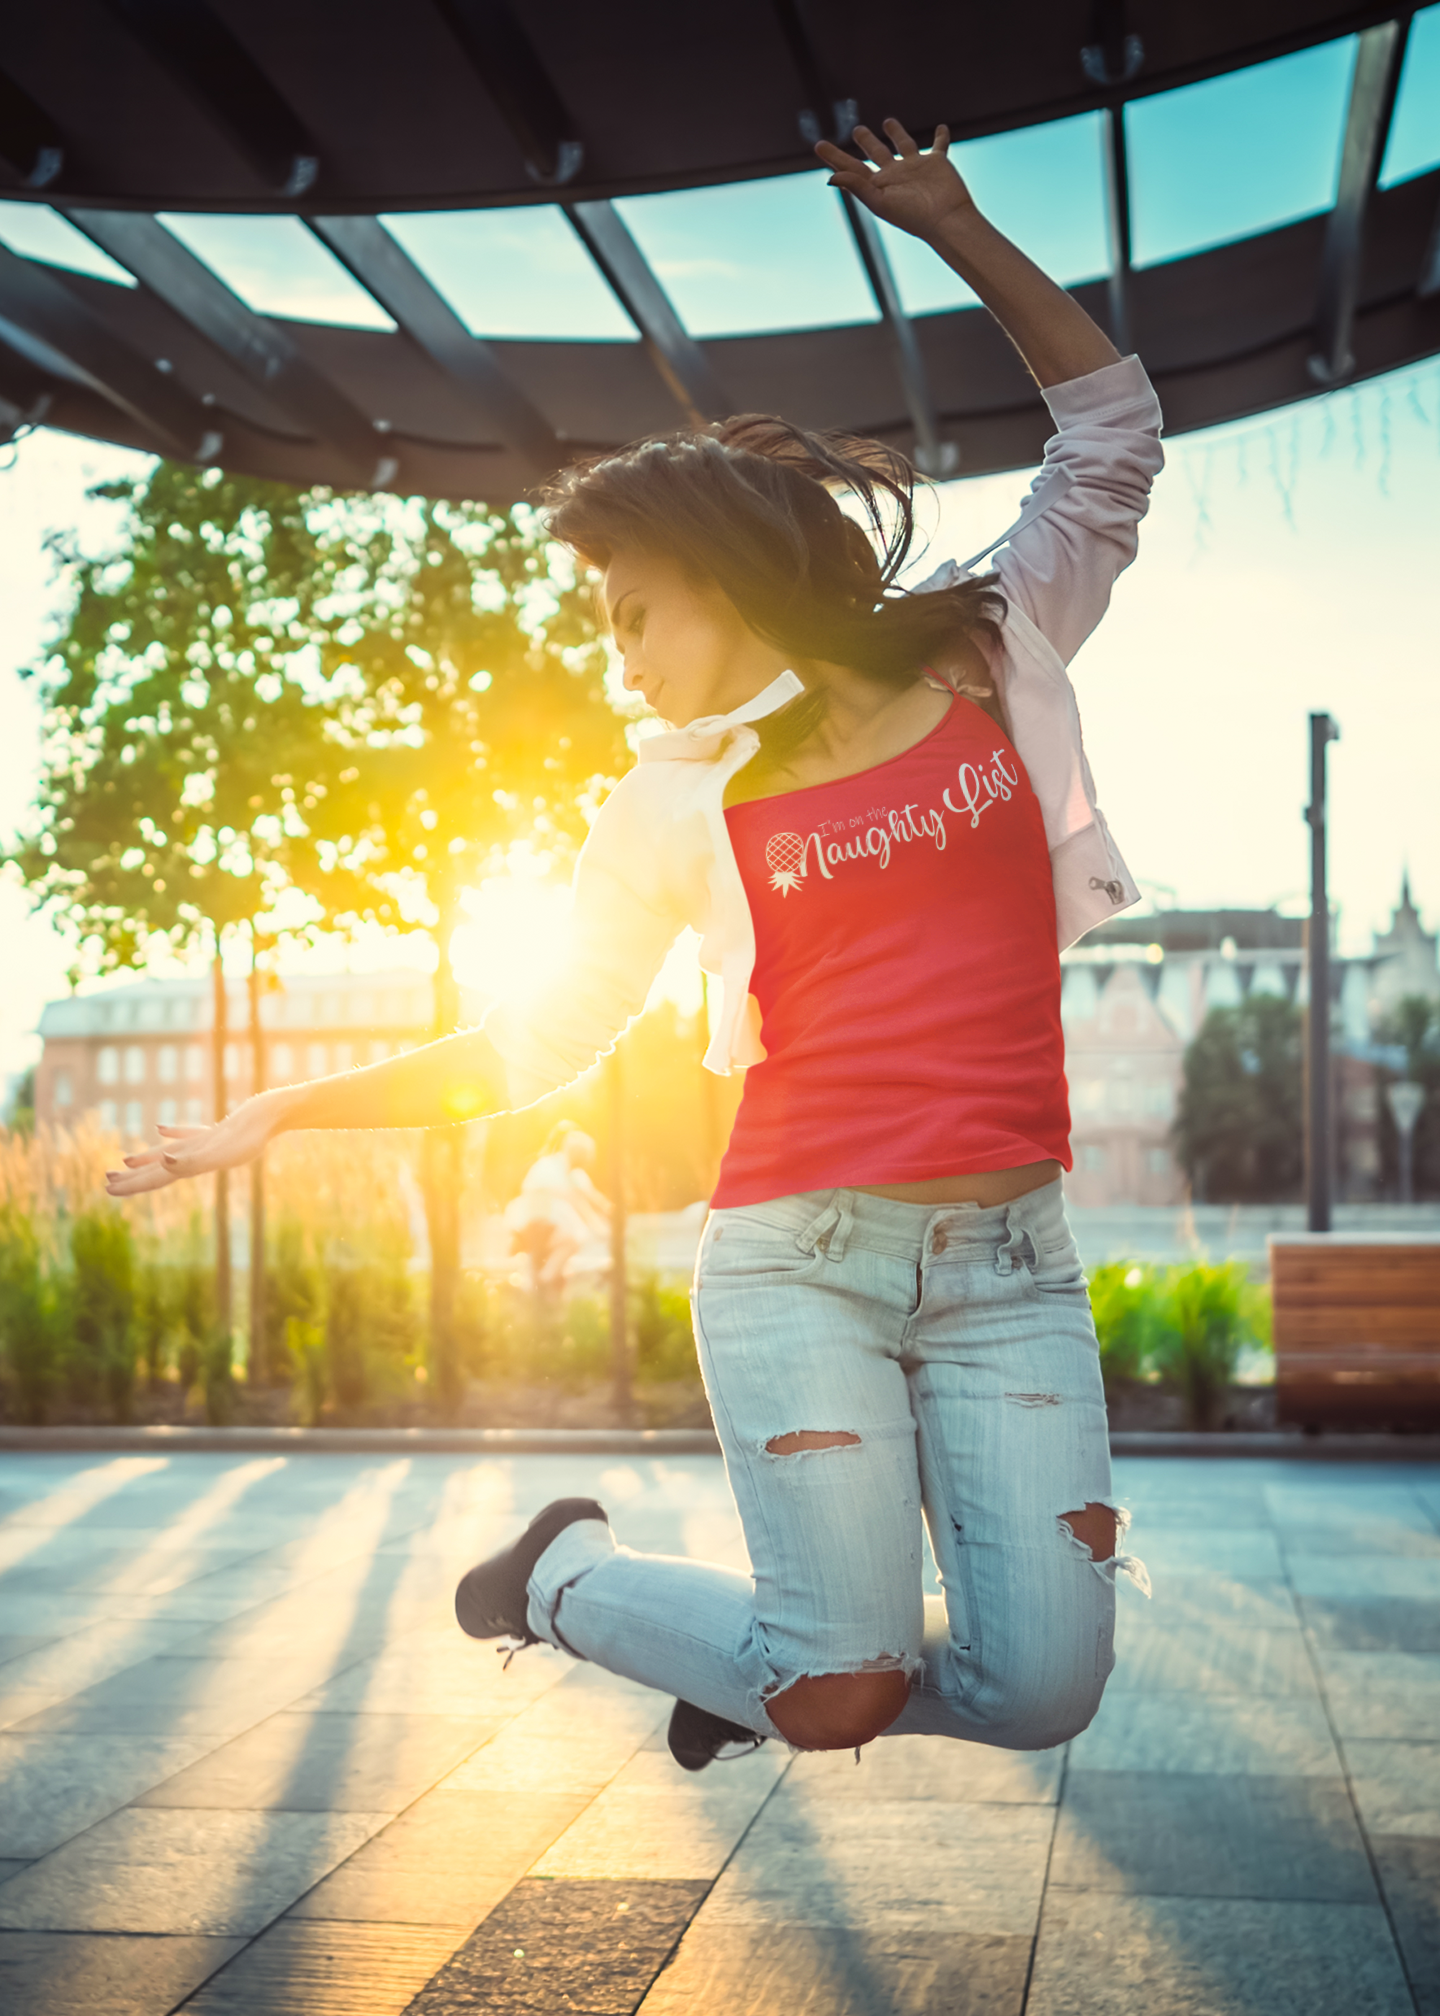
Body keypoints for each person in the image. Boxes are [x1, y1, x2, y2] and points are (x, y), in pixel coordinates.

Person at [109, 118, 1153, 1772]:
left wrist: (949, 220)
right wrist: (280, 1111)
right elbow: (532, 1044)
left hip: (1011, 1268)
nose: (622, 662)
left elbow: (1108, 430)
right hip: (799, 1262)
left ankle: (751, 1665)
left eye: (632, 613)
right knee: (835, 1698)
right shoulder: (661, 810)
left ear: (732, 575)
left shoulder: (984, 655)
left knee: (1040, 1696)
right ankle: (568, 1579)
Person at [504, 1123, 610, 1295]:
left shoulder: (574, 1173)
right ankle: (543, 1281)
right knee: (572, 1240)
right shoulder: (549, 1167)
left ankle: (543, 1283)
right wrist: (599, 1227)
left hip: (548, 1224)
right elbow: (577, 1200)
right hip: (535, 1222)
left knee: (569, 1246)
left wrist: (610, 1211)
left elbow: (590, 1195)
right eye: (586, 1155)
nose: (588, 1160)